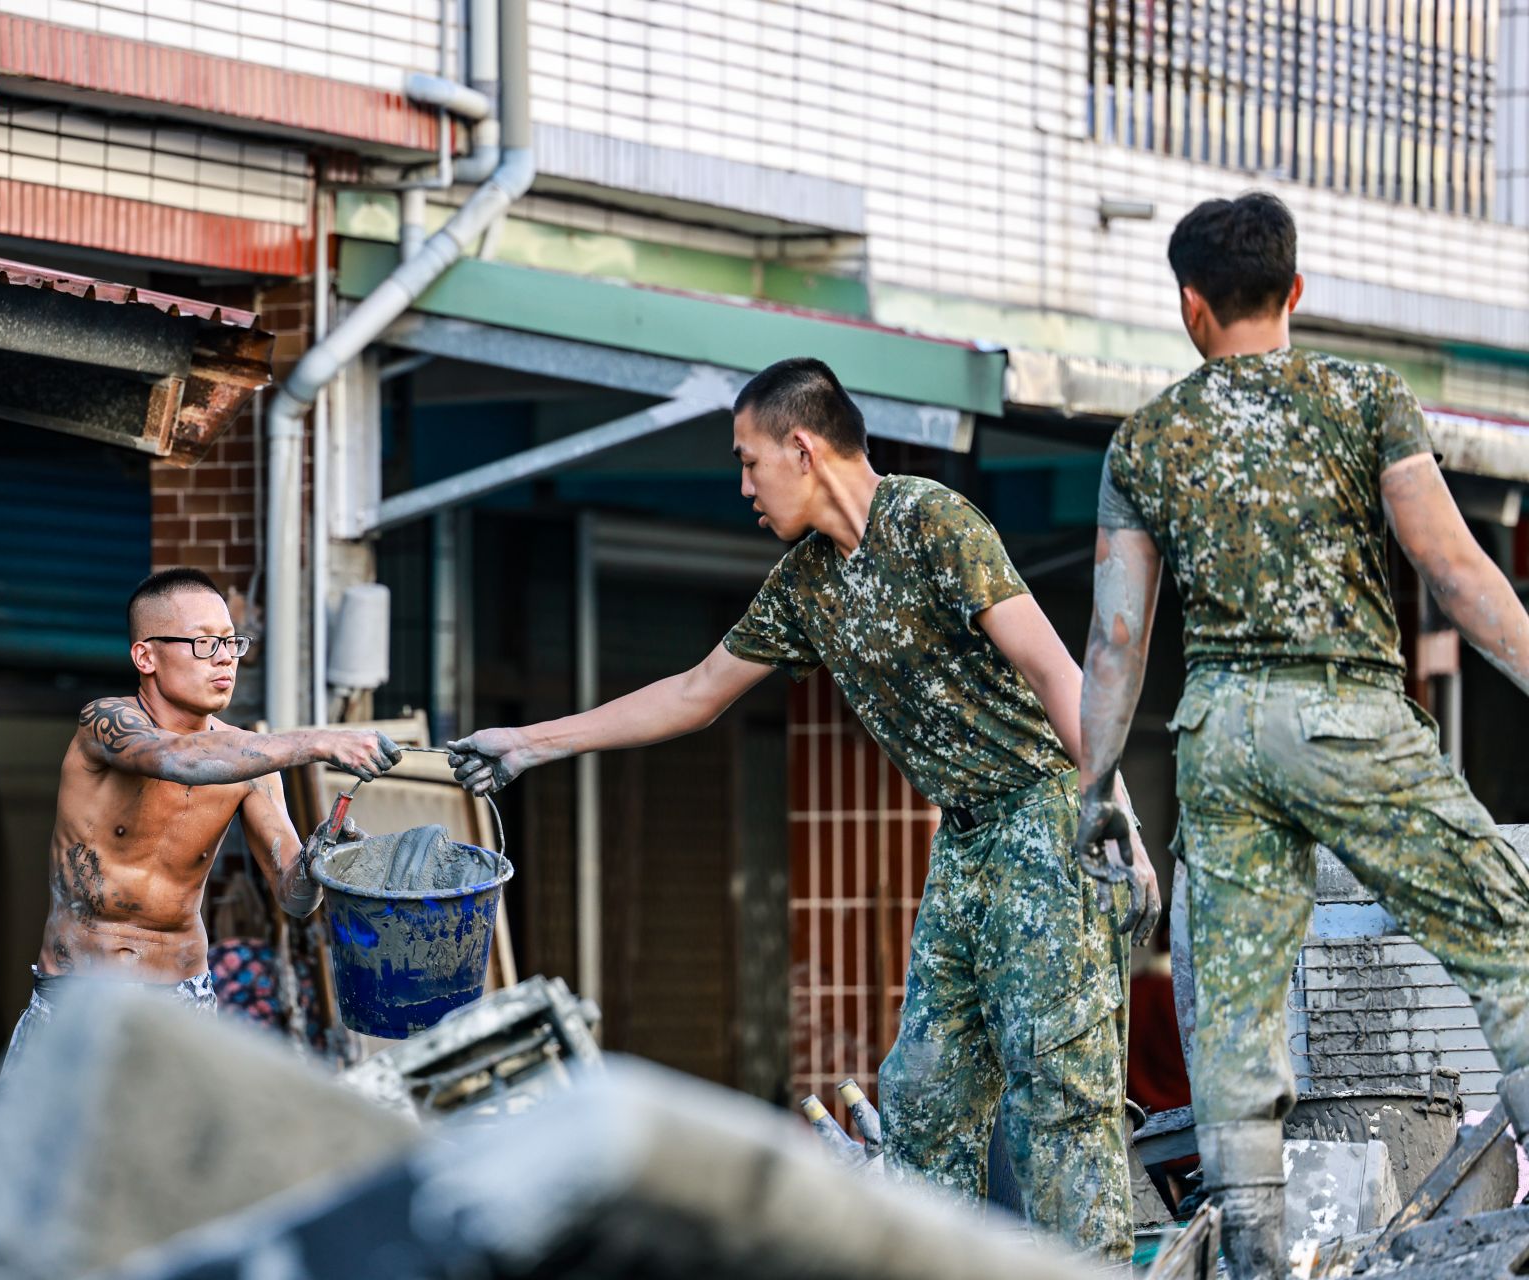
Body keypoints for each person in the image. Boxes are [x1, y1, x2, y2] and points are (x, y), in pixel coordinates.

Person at [447, 358, 1156, 1260]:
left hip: (1048, 819)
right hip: (964, 844)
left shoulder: (932, 520)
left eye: (749, 462)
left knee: (1059, 1097)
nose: (743, 487)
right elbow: (696, 692)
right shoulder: (806, 583)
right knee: (924, 1097)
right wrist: (530, 742)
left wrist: (1116, 816)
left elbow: (1054, 670)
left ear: (802, 447)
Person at [1072, 191, 1529, 1278]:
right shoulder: (1366, 398)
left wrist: (1098, 787)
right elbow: (1455, 572)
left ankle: (1255, 1257)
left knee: (1233, 1012)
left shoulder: (1146, 439)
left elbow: (1116, 641)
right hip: (1348, 715)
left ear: (1191, 304)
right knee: (1502, 932)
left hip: (1221, 735)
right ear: (1297, 290)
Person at [2, 567, 401, 1062]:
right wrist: (319, 742)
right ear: (145, 656)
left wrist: (322, 856)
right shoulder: (104, 723)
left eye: (231, 643)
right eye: (204, 643)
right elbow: (178, 759)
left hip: (183, 1003)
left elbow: (296, 898)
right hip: (79, 1001)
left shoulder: (252, 763)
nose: (225, 658)